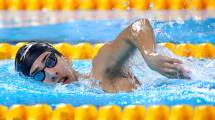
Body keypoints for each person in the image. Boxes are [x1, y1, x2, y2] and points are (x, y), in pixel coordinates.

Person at [15, 19, 189, 93]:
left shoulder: (101, 70)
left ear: (65, 58)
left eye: (50, 61)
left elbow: (138, 26)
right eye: (39, 74)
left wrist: (150, 55)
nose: (51, 74)